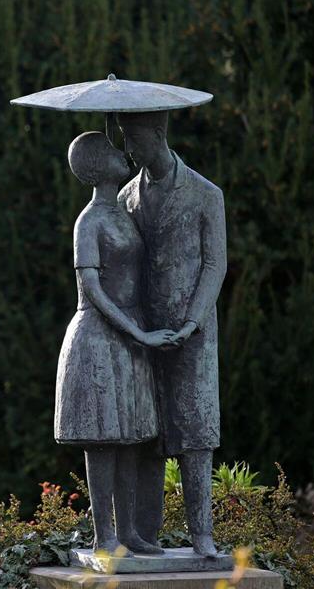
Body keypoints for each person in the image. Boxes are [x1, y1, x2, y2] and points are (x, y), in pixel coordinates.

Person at [55, 131, 176, 555]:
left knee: (129, 438)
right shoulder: (88, 222)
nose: (120, 153)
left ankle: (128, 533)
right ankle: (103, 535)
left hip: (129, 338)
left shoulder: (125, 210)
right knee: (103, 440)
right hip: (98, 339)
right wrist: (138, 332)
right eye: (109, 150)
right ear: (93, 168)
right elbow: (92, 289)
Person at [117, 111, 227, 558]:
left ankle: (202, 534)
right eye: (124, 140)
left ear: (159, 134)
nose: (129, 150)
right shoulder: (125, 197)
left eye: (135, 139)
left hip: (193, 332)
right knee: (147, 431)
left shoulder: (205, 194)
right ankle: (146, 535)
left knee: (196, 433)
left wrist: (193, 320)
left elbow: (215, 263)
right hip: (143, 332)